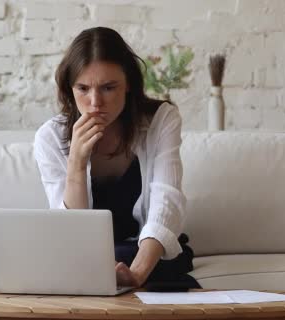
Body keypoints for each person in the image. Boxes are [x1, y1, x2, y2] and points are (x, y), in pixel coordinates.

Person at [33, 26, 200, 290]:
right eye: (83, 88)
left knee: (139, 261)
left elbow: (167, 200)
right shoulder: (51, 137)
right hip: (84, 255)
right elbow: (70, 234)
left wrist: (136, 274)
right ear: (69, 88)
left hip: (147, 251)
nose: (95, 102)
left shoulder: (160, 120)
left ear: (129, 84)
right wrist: (76, 163)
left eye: (109, 88)